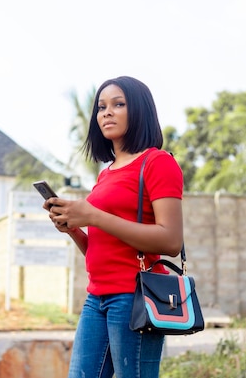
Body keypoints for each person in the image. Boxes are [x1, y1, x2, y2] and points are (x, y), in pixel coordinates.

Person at [43, 76, 184, 378]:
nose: (107, 112)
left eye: (118, 104)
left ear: (140, 111)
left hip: (134, 296)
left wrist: (92, 216)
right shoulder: (106, 174)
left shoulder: (157, 163)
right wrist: (73, 228)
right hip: (97, 296)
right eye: (101, 106)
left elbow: (170, 240)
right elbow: (101, 248)